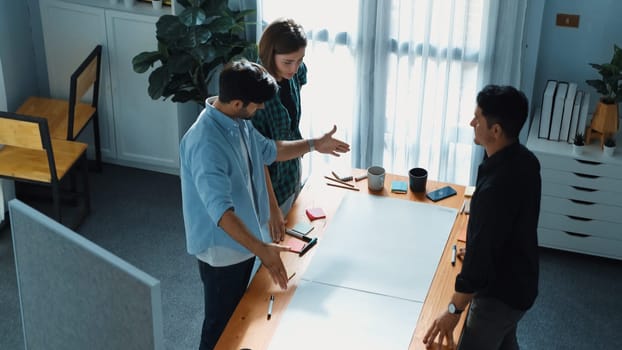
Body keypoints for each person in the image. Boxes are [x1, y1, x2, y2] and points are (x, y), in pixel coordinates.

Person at [179, 59, 349, 350]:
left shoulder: (237, 122)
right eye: (256, 106)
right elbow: (221, 213)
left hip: (245, 239)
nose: (259, 110)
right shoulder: (206, 143)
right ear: (237, 103)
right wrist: (263, 251)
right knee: (219, 325)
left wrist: (313, 145)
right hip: (222, 250)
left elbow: (270, 150)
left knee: (239, 316)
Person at [423, 85, 541, 350]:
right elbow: (511, 224)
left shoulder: (495, 188)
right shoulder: (527, 161)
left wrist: (452, 311)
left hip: (500, 297)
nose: (471, 123)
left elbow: (477, 270)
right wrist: (480, 243)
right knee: (506, 340)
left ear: (496, 131)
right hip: (523, 280)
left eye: (478, 118)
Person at [251, 18, 308, 243]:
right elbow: (258, 157)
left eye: (300, 60)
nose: (295, 68)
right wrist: (272, 208)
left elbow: (292, 115)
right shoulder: (255, 92)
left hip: (292, 171)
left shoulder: (294, 73)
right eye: (288, 62)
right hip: (271, 186)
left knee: (295, 239)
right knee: (271, 248)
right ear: (269, 54)